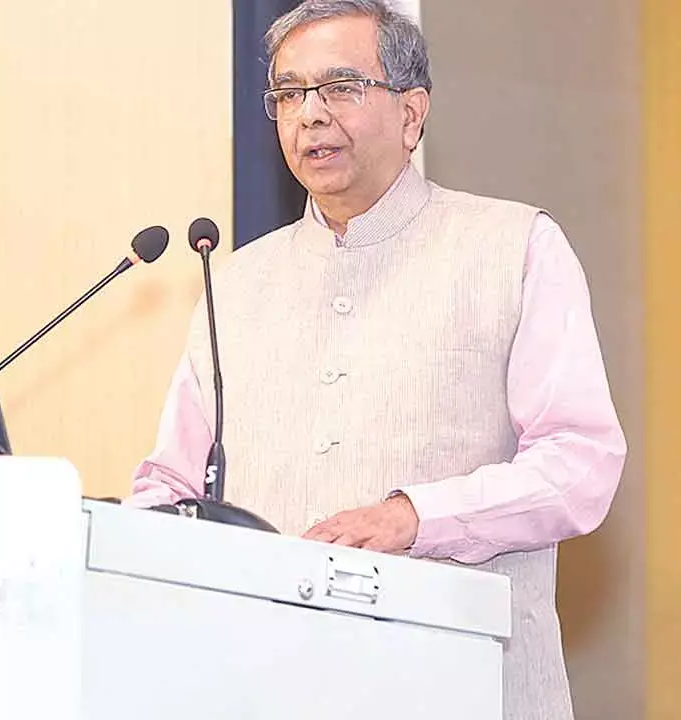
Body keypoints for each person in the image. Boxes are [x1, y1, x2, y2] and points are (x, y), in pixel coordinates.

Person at [122, 1, 626, 718]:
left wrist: (416, 516)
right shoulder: (234, 283)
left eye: (341, 87)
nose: (310, 114)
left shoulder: (513, 247)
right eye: (289, 94)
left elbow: (581, 466)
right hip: (264, 685)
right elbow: (170, 482)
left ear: (412, 113)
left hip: (466, 688)